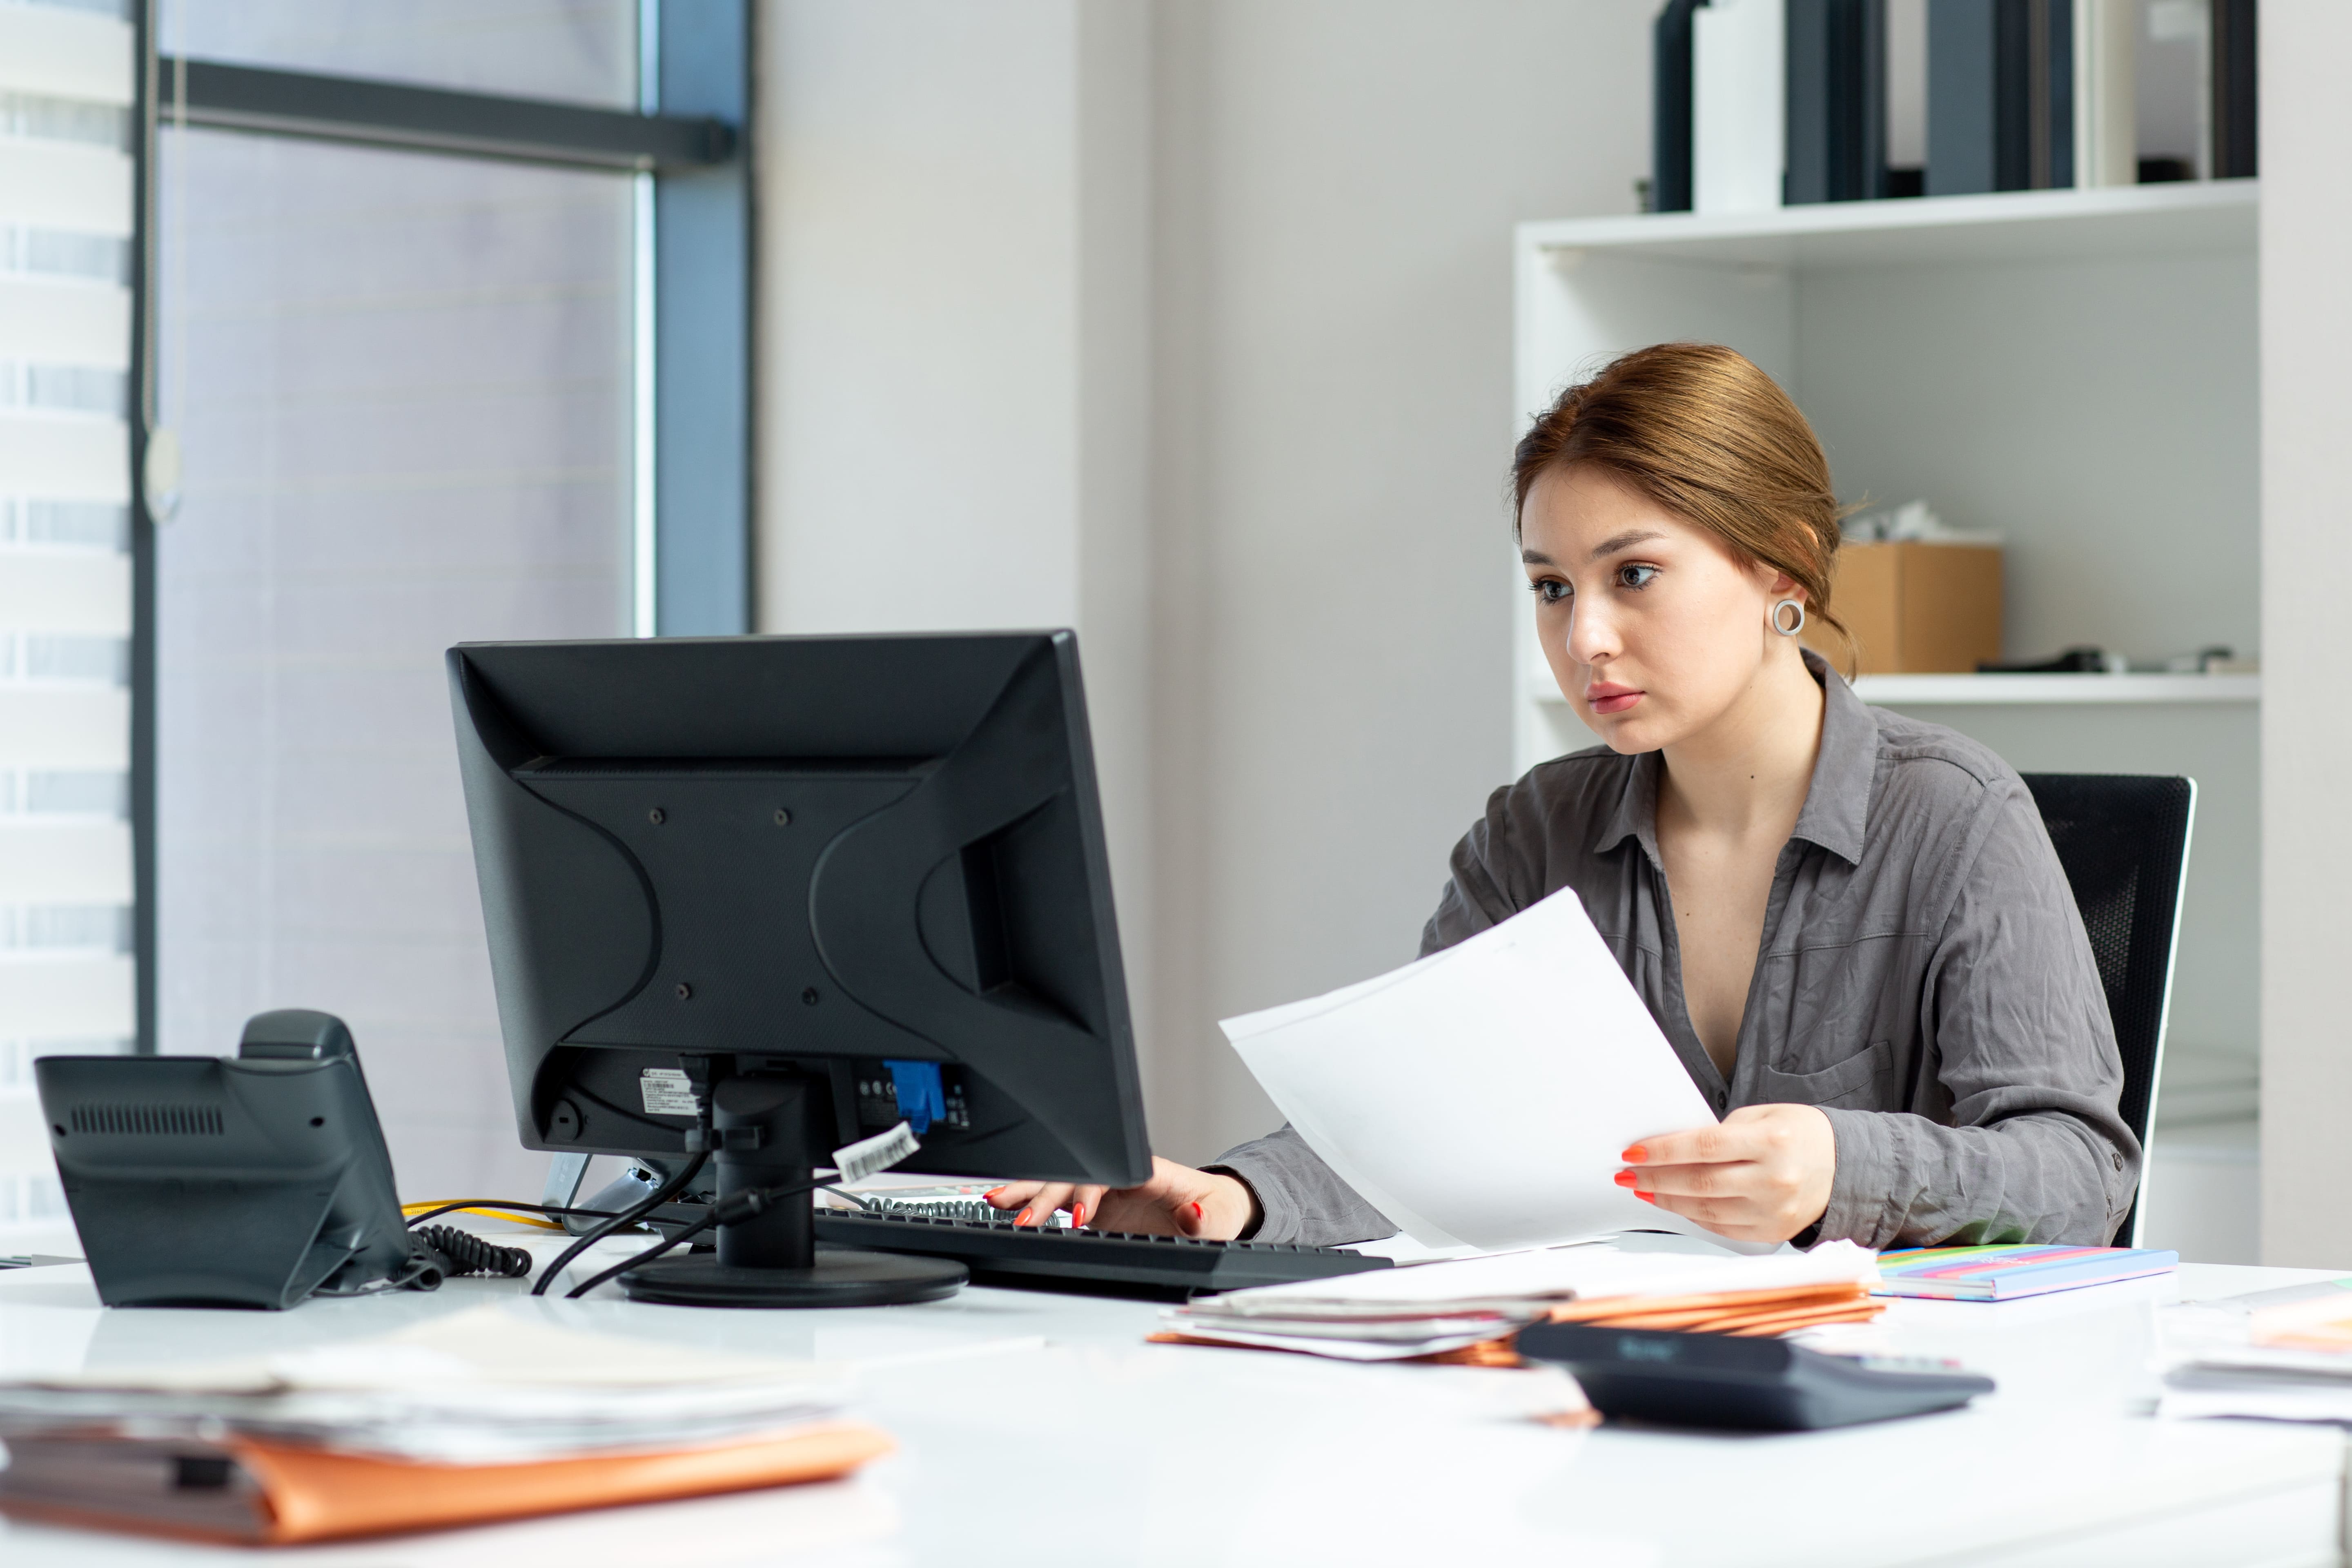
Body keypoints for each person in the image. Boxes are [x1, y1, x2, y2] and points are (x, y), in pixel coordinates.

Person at [987, 341, 2139, 1251]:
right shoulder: (1537, 832)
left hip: (1912, 1415)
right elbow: (1416, 1128)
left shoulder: (1956, 816)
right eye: (1551, 586)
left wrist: (1849, 1166)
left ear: (1780, 566)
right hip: (1603, 1397)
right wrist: (1229, 1199)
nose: (1585, 636)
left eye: (1634, 575)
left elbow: (2081, 1176)